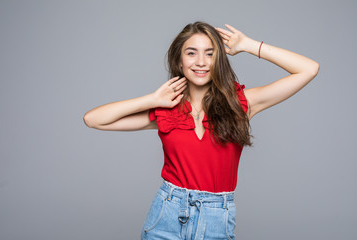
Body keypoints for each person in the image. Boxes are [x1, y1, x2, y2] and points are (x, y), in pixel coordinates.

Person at [83, 22, 319, 240]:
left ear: (219, 59)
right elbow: (93, 119)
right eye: (191, 53)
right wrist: (151, 99)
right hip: (167, 213)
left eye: (210, 53)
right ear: (180, 59)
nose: (201, 62)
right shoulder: (166, 109)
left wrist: (248, 45)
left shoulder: (241, 103)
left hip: (217, 217)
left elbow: (308, 69)